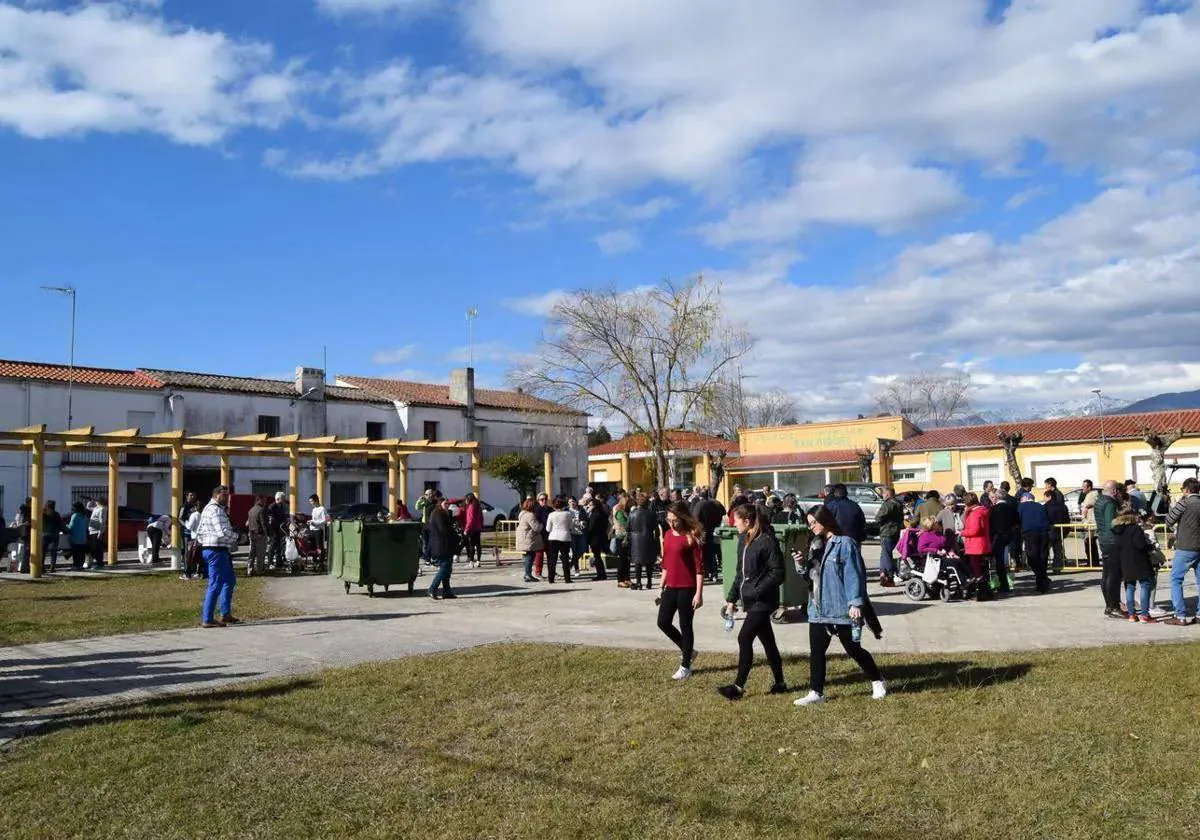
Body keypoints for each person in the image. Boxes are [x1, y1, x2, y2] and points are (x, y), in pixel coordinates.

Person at [795, 505, 885, 706]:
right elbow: (810, 578)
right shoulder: (815, 545)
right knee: (817, 652)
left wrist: (855, 603)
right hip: (818, 609)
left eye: (814, 523)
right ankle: (816, 692)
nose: (811, 528)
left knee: (853, 649)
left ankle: (877, 680)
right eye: (809, 525)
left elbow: (854, 574)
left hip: (842, 608)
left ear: (824, 520)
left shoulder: (845, 543)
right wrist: (801, 564)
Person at [716, 503, 788, 700]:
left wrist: (756, 590)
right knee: (768, 642)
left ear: (747, 521)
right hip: (750, 599)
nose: (733, 524)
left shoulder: (767, 541)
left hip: (762, 601)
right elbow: (741, 572)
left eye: (735, 520)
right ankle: (780, 682)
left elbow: (778, 573)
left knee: (744, 637)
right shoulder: (744, 540)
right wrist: (731, 598)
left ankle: (737, 688)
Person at [657, 503, 705, 681]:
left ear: (683, 518)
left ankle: (685, 665)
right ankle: (689, 651)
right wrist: (661, 584)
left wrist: (698, 594)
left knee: (686, 626)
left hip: (687, 588)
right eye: (669, 520)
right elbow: (666, 563)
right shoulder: (668, 534)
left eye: (675, 521)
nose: (671, 524)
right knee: (663, 622)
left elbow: (699, 569)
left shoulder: (692, 537)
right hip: (670, 587)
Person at [195, 485, 240, 628]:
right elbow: (222, 531)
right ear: (216, 495)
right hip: (216, 550)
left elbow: (200, 531)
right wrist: (238, 537)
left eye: (227, 495)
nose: (227, 498)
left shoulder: (209, 509)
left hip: (216, 549)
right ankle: (207, 618)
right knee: (215, 584)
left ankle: (225, 613)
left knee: (229, 580)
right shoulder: (215, 510)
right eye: (224, 495)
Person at [1164, 477, 1200, 626]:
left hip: (1185, 547)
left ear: (1186, 490)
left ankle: (1180, 615)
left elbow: (1169, 520)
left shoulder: (1184, 503)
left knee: (1176, 579)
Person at [1112, 504, 1156, 624]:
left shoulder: (1116, 530)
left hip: (1125, 561)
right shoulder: (1135, 528)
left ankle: (1131, 614)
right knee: (1145, 585)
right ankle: (1145, 615)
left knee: (1130, 587)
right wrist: (1150, 545)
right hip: (1139, 561)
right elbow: (1141, 545)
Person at [1094, 481, 1121, 617]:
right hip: (1111, 541)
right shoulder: (1110, 503)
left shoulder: (1099, 501)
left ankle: (1110, 605)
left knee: (1107, 574)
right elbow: (1112, 523)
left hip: (1104, 539)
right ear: (1114, 490)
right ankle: (1113, 606)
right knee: (1113, 575)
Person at [959, 492, 993, 601]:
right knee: (981, 569)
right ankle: (986, 592)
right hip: (982, 544)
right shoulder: (982, 510)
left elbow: (974, 530)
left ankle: (982, 594)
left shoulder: (974, 513)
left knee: (976, 571)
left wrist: (962, 532)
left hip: (975, 545)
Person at [1018, 492, 1052, 593]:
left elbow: (1018, 519)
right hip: (1044, 532)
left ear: (1025, 498)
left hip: (1029, 532)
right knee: (1042, 555)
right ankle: (1042, 579)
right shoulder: (1041, 506)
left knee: (1032, 556)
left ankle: (1041, 579)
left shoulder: (1021, 507)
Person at [988, 487, 1019, 594]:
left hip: (998, 537)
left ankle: (1002, 585)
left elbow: (991, 525)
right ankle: (1005, 584)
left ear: (996, 497)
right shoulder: (1011, 507)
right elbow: (1016, 521)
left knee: (998, 562)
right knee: (1005, 561)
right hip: (1009, 535)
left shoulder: (995, 509)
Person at [426, 495, 457, 599]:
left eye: (448, 504)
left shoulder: (444, 513)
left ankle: (446, 591)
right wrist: (453, 533)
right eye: (445, 504)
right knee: (444, 567)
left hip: (445, 544)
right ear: (440, 504)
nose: (447, 505)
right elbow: (443, 530)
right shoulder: (438, 514)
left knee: (447, 568)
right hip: (441, 545)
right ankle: (432, 588)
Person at [626, 491, 658, 590]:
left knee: (637, 563)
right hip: (648, 539)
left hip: (636, 540)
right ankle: (649, 582)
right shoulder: (652, 514)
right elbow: (655, 528)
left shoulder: (632, 514)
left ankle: (639, 582)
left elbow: (628, 528)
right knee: (649, 562)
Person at [875, 486, 905, 587]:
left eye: (883, 494)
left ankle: (889, 575)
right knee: (885, 553)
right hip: (896, 531)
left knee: (886, 553)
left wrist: (877, 515)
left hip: (887, 531)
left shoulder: (887, 505)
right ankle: (883, 573)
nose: (882, 496)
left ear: (887, 494)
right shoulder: (898, 503)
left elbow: (878, 518)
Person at [1042, 478, 1070, 573]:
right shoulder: (1063, 506)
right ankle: (1057, 568)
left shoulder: (1045, 507)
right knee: (1057, 551)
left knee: (1045, 551)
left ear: (1049, 496)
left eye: (1045, 497)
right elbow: (1067, 519)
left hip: (1049, 531)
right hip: (1059, 531)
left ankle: (1043, 568)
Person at [545, 497, 574, 584]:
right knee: (565, 558)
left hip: (553, 537)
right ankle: (567, 579)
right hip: (565, 537)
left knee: (552, 559)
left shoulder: (551, 515)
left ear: (554, 506)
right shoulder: (568, 514)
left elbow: (548, 529)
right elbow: (571, 527)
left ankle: (551, 578)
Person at [516, 498, 545, 583]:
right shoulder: (530, 515)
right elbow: (536, 528)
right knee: (530, 557)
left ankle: (527, 574)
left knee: (528, 557)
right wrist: (542, 525)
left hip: (523, 538)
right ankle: (528, 575)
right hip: (528, 539)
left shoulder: (522, 514)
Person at [586, 496, 610, 581]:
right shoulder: (603, 513)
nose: (589, 506)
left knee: (597, 556)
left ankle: (601, 574)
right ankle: (601, 573)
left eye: (591, 505)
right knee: (598, 556)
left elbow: (591, 527)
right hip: (602, 537)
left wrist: (587, 535)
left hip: (595, 538)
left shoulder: (595, 514)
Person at [611, 493, 631, 587]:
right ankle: (620, 580)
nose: (629, 503)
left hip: (626, 537)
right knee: (622, 560)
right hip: (621, 537)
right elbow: (624, 524)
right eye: (628, 502)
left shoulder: (625, 511)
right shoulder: (619, 511)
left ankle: (627, 578)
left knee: (627, 560)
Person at [246, 495, 268, 576]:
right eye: (264, 500)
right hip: (260, 534)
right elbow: (263, 523)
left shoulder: (250, 510)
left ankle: (250, 570)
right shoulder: (261, 510)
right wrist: (267, 534)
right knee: (260, 554)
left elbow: (247, 523)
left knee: (251, 553)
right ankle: (259, 570)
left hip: (251, 534)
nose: (265, 502)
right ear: (259, 500)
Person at [266, 492, 289, 569]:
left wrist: (286, 521)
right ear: (278, 499)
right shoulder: (271, 507)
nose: (284, 500)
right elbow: (271, 519)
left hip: (280, 529)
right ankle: (270, 562)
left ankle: (279, 562)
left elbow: (283, 517)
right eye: (283, 498)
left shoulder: (281, 506)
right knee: (272, 546)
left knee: (279, 546)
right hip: (273, 530)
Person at [462, 493, 484, 568]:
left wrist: (466, 529)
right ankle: (478, 561)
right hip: (478, 528)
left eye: (466, 499)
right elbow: (481, 518)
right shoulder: (478, 506)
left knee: (471, 545)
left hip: (472, 529)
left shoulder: (471, 507)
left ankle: (471, 561)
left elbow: (470, 520)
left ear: (469, 499)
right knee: (478, 545)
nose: (465, 501)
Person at [66, 501, 89, 569]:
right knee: (81, 553)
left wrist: (67, 526)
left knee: (75, 553)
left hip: (75, 537)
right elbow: (86, 526)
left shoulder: (74, 515)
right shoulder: (84, 515)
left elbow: (71, 526)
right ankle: (81, 565)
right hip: (83, 537)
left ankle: (76, 565)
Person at [42, 500, 64, 573]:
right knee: (53, 552)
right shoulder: (56, 514)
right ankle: (52, 567)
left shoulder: (44, 514)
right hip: (54, 534)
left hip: (44, 534)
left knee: (43, 552)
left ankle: (42, 567)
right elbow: (60, 524)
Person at [568, 496, 587, 574]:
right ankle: (576, 569)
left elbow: (586, 519)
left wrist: (583, 522)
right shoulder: (567, 511)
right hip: (572, 533)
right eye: (569, 502)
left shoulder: (581, 510)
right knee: (575, 551)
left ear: (576, 502)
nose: (571, 503)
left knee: (582, 551)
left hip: (581, 533)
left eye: (573, 501)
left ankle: (570, 564)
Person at [416, 488, 437, 563]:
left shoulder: (435, 502)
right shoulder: (424, 503)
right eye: (426, 494)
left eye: (427, 494)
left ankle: (431, 557)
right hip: (425, 524)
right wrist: (419, 500)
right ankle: (426, 558)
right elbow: (417, 507)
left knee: (432, 542)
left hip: (433, 524)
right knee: (425, 542)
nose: (426, 496)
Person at [87, 496, 107, 569]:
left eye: (96, 501)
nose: (95, 502)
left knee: (97, 548)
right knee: (94, 547)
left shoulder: (102, 509)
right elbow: (88, 507)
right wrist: (90, 501)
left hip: (97, 531)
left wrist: (100, 532)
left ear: (99, 502)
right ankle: (97, 562)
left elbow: (102, 522)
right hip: (92, 531)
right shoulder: (96, 508)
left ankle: (99, 563)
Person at [307, 495, 328, 565]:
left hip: (318, 530)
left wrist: (314, 522)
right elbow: (314, 519)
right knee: (313, 547)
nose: (310, 503)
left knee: (319, 546)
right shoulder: (313, 509)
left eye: (311, 501)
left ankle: (321, 562)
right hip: (312, 529)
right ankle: (314, 561)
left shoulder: (322, 509)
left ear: (316, 501)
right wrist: (310, 521)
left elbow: (325, 520)